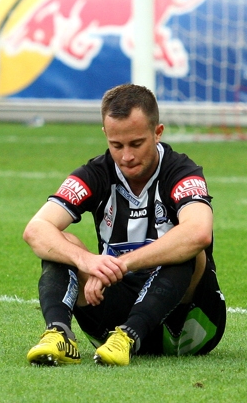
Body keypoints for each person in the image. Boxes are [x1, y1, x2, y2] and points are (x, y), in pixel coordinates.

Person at [23, 83, 226, 366]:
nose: (126, 156)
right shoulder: (94, 173)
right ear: (106, 134)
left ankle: (130, 335)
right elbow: (36, 229)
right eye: (116, 145)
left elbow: (199, 232)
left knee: (186, 248)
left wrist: (121, 264)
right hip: (109, 326)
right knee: (62, 244)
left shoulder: (181, 172)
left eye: (136, 143)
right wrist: (88, 261)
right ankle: (58, 334)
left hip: (186, 327)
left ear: (158, 133)